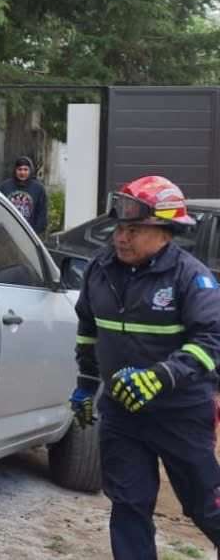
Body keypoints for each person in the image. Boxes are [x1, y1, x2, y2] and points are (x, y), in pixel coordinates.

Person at [69, 175, 220, 560]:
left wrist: (160, 377)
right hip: (122, 414)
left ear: (165, 232)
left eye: (134, 230)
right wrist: (86, 384)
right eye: (120, 228)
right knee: (128, 506)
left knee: (207, 506)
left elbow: (211, 342)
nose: (122, 237)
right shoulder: (99, 269)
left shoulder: (191, 277)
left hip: (180, 413)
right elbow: (88, 330)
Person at [0, 155, 48, 235]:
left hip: (29, 235)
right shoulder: (4, 187)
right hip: (7, 233)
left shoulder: (38, 189)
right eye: (20, 169)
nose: (22, 172)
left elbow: (42, 216)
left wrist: (33, 234)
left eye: (25, 169)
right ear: (15, 170)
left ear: (30, 171)